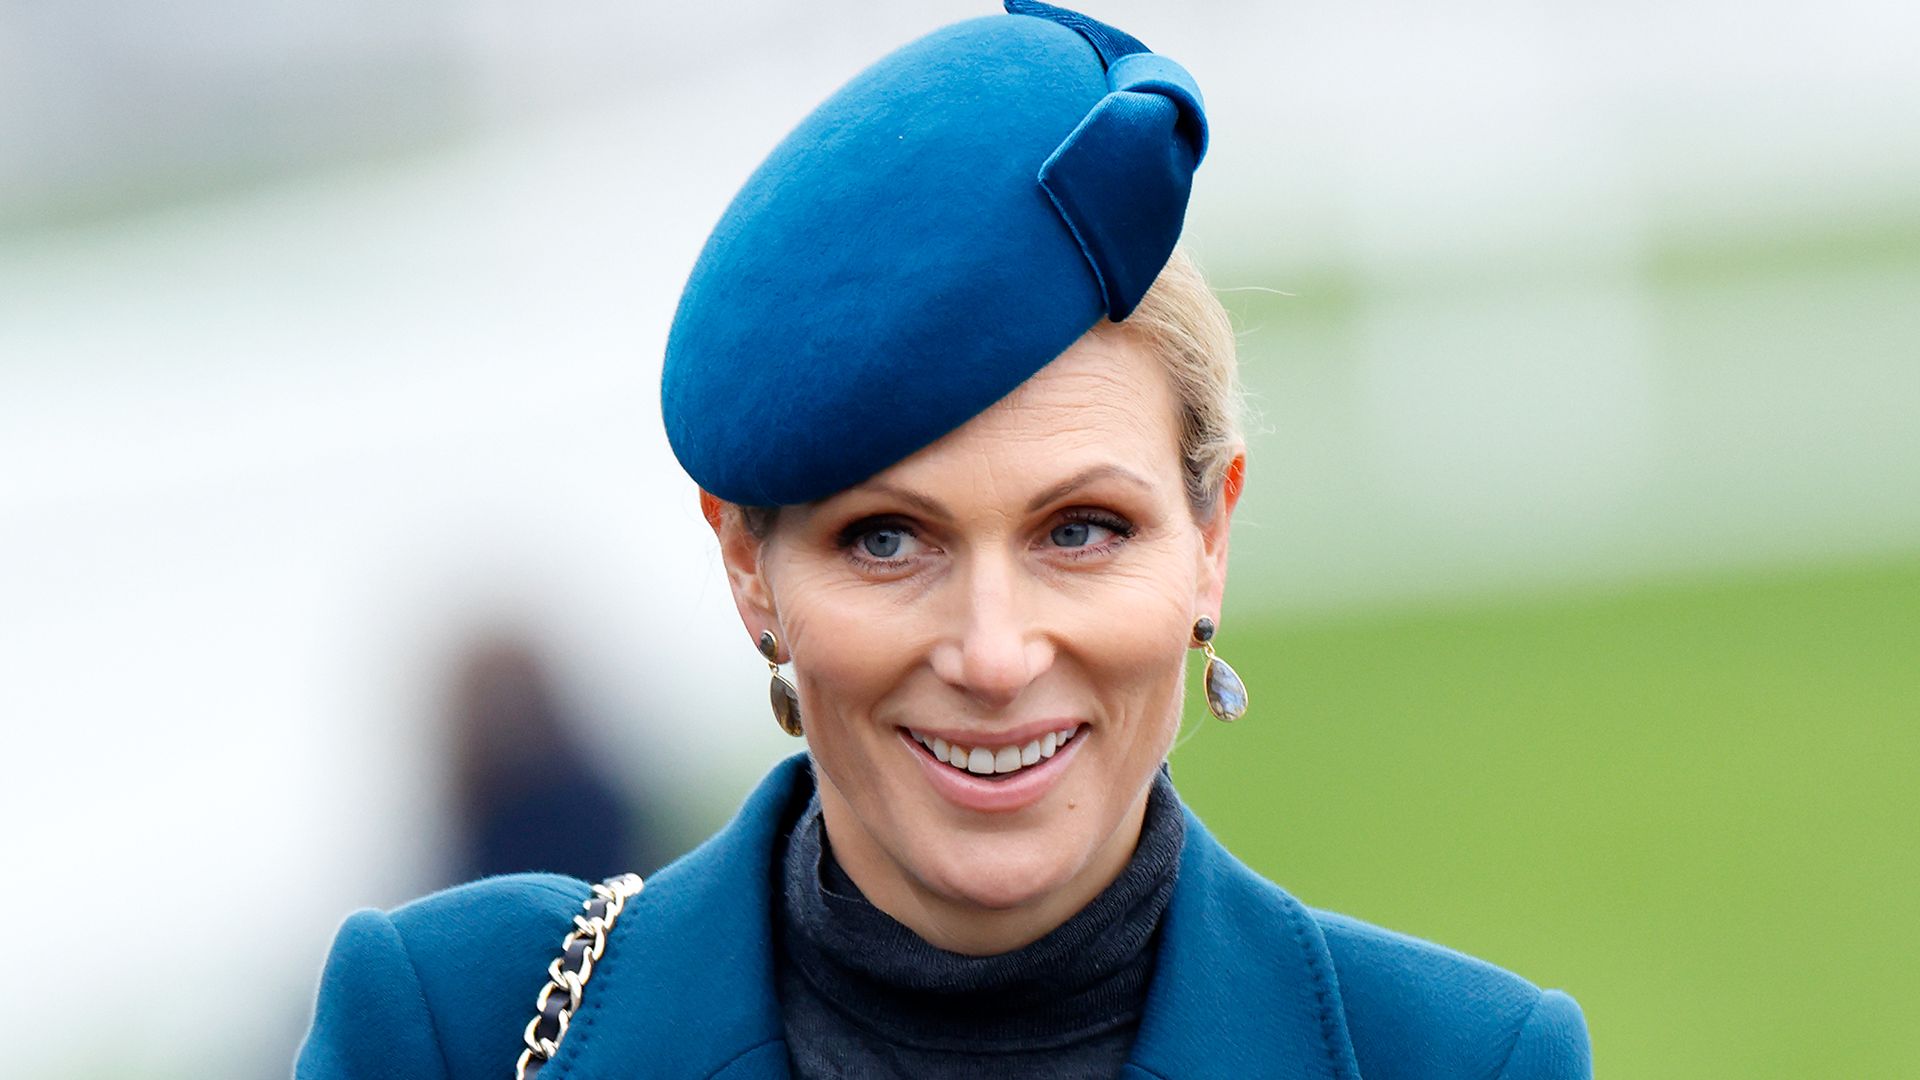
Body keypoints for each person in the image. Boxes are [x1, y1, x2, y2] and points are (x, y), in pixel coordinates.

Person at [296, 3, 1593, 1078]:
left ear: (1210, 539)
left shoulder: (1461, 1060)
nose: (992, 652)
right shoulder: (458, 1032)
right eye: (886, 541)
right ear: (750, 570)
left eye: (1081, 529)